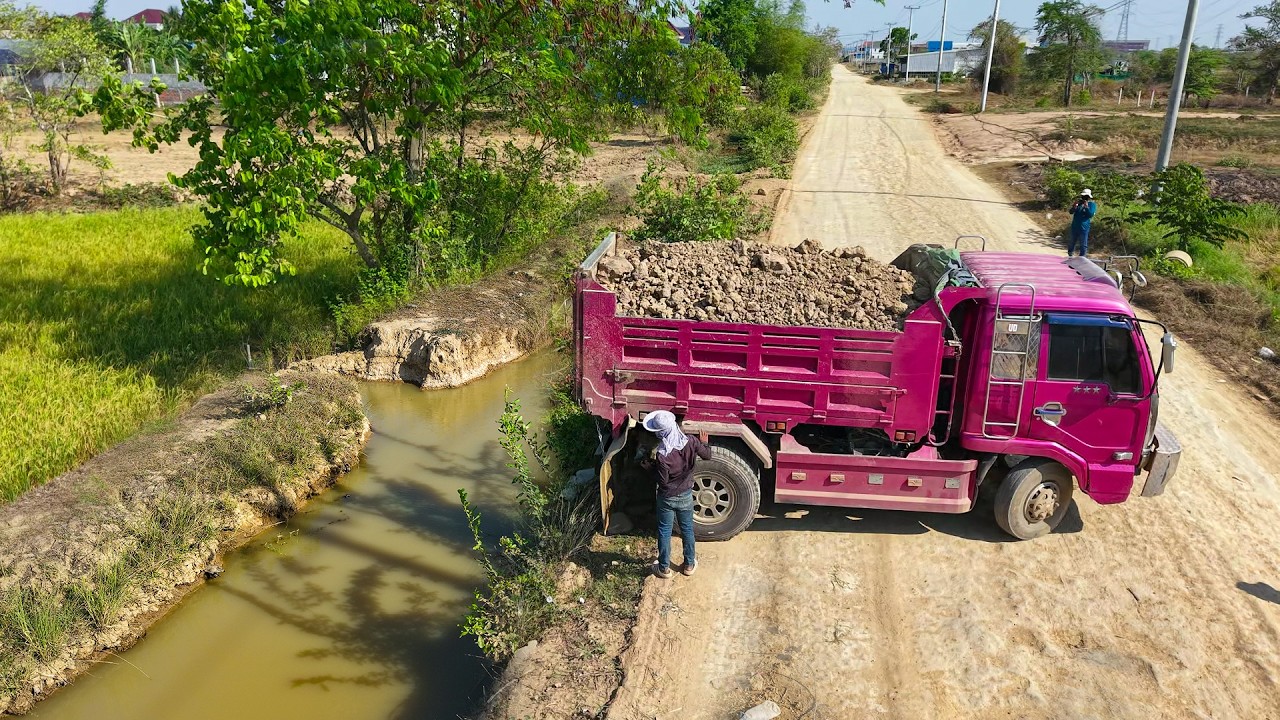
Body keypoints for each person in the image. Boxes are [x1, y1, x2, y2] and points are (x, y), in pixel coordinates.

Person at [641, 410, 711, 579]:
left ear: (660, 433)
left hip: (667, 498)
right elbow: (707, 455)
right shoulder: (691, 441)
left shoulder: (662, 455)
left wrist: (650, 468)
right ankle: (689, 564)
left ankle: (663, 568)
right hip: (685, 495)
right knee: (687, 529)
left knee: (664, 530)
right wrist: (705, 443)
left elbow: (663, 482)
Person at [1068, 188, 1097, 257]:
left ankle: (1082, 257)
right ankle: (1070, 255)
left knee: (1083, 244)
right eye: (1083, 196)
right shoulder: (1078, 203)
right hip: (1075, 226)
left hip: (1084, 227)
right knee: (1072, 242)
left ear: (1089, 197)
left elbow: (1090, 215)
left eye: (1086, 196)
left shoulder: (1091, 204)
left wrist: (1086, 208)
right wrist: (1074, 207)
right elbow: (1071, 212)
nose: (1084, 198)